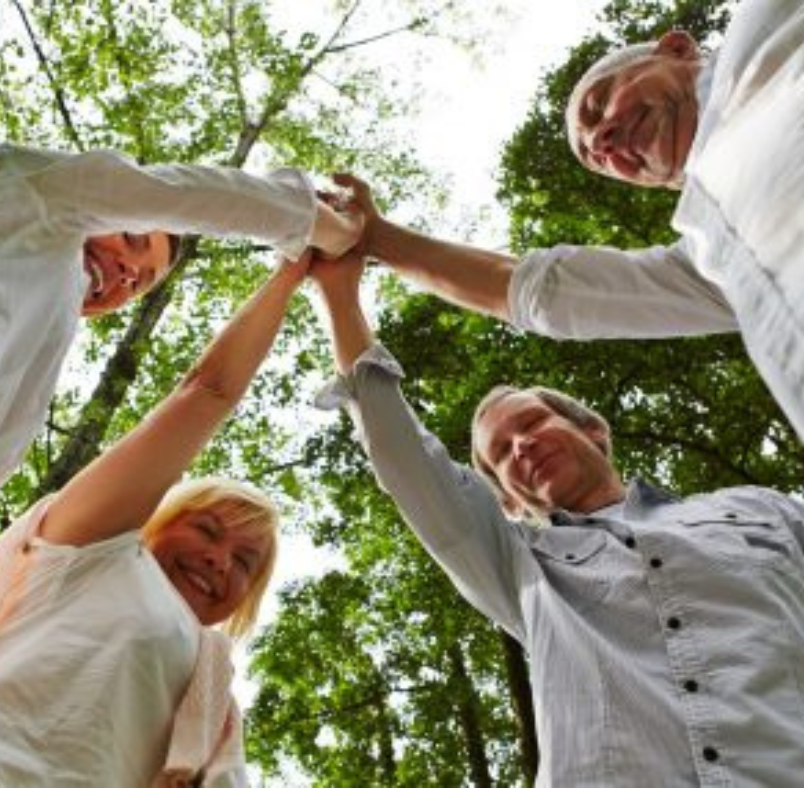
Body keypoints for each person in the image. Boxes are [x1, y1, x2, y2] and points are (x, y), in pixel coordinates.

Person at [311, 250, 804, 786]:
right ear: (509, 502)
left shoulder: (759, 509)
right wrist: (338, 290)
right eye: (500, 454)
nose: (520, 445)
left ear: (593, 431)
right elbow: (404, 456)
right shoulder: (517, 565)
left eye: (530, 423)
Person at [0, 142, 361, 642]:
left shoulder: (34, 354)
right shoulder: (28, 184)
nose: (127, 273)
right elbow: (189, 195)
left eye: (141, 282)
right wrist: (330, 229)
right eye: (131, 236)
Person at [0, 250, 315, 786]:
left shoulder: (213, 695)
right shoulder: (98, 554)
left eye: (245, 560)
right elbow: (208, 391)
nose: (219, 559)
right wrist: (293, 268)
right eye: (207, 528)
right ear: (159, 523)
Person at [338, 0, 804, 443]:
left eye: (598, 105)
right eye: (598, 159)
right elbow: (543, 294)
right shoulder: (711, 259)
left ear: (677, 49)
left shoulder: (762, 23)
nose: (602, 140)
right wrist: (378, 238)